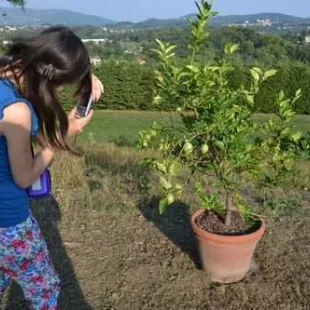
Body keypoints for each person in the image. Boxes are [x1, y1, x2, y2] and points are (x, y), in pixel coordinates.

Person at [0, 26, 103, 309]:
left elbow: (40, 72)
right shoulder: (16, 112)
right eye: (60, 86)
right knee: (44, 290)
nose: (58, 92)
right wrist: (61, 137)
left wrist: (82, 74)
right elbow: (23, 177)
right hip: (7, 223)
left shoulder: (7, 69)